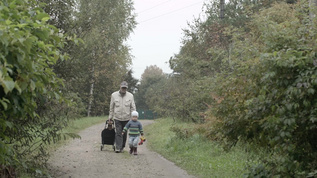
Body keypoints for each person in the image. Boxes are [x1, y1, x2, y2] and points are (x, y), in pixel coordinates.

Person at [108, 81, 136, 153]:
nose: (124, 89)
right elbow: (111, 107)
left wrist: (133, 117)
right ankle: (118, 147)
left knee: (124, 133)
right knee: (118, 132)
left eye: (125, 88)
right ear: (120, 87)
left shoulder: (130, 96)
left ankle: (122, 146)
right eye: (123, 88)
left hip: (126, 118)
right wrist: (110, 117)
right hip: (117, 118)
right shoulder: (114, 95)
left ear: (126, 88)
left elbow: (133, 107)